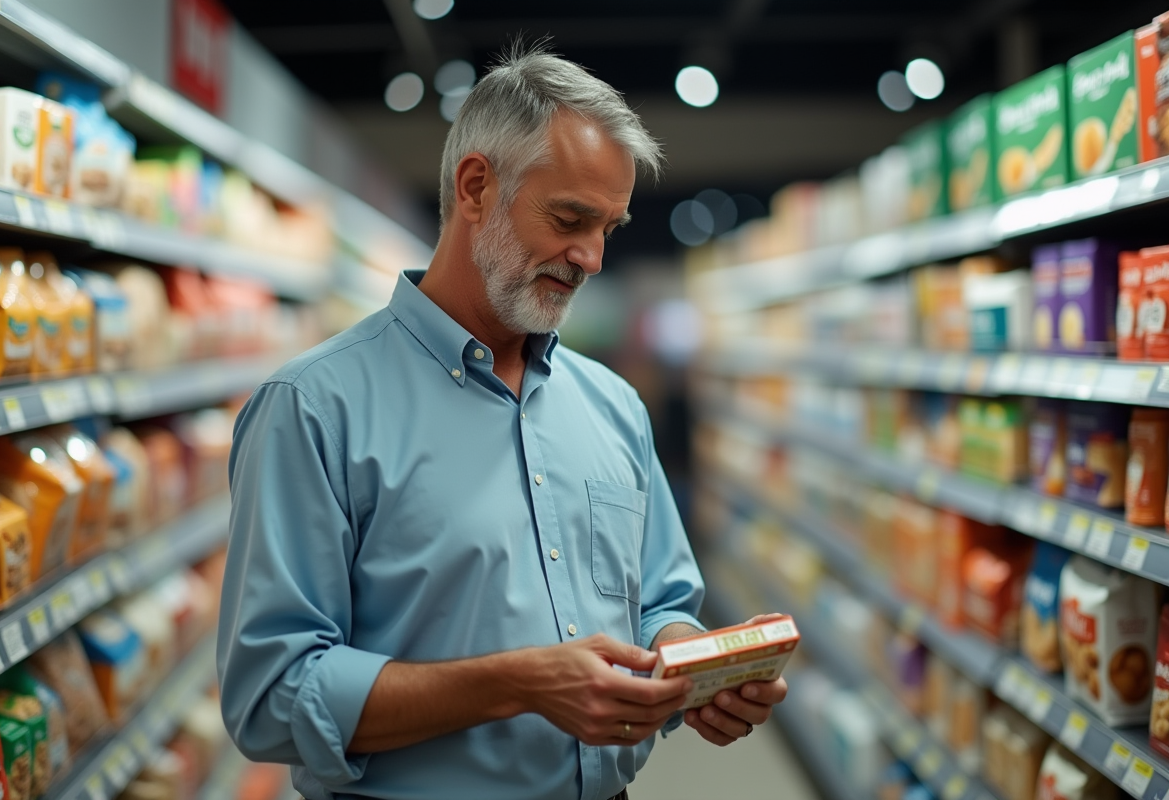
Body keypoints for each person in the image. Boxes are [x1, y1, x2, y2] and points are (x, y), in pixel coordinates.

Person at [217, 44, 788, 800]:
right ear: (477, 186)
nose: (590, 257)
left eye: (609, 229)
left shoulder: (613, 406)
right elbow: (270, 696)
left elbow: (661, 602)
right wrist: (515, 684)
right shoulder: (315, 408)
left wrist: (689, 665)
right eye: (568, 218)